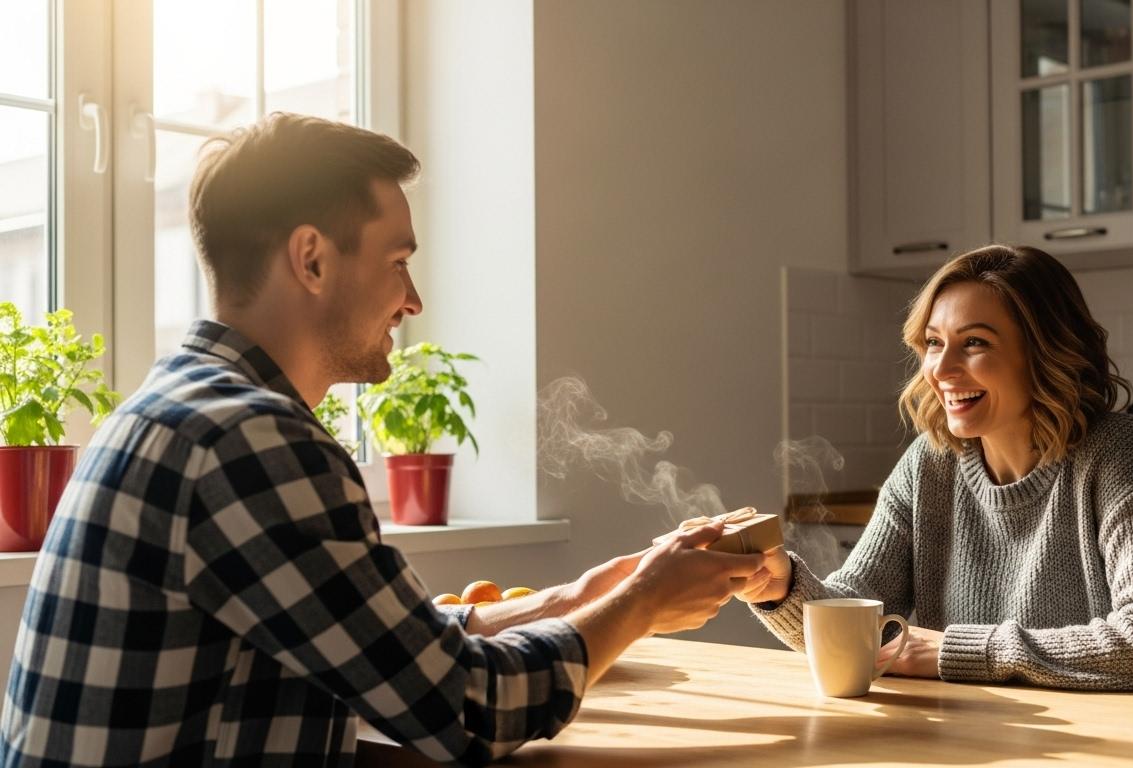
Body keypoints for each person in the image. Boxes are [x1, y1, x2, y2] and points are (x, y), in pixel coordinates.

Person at [0, 114, 768, 767]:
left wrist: (584, 594)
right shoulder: (253, 441)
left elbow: (393, 644)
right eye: (398, 262)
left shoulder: (174, 408)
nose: (413, 298)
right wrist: (639, 606)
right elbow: (466, 709)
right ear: (311, 259)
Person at [741, 244, 1133, 691]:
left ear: (1044, 353)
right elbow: (852, 632)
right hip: (964, 736)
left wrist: (961, 651)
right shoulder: (929, 464)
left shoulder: (1114, 452)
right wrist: (781, 588)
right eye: (933, 343)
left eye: (975, 343)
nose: (940, 369)